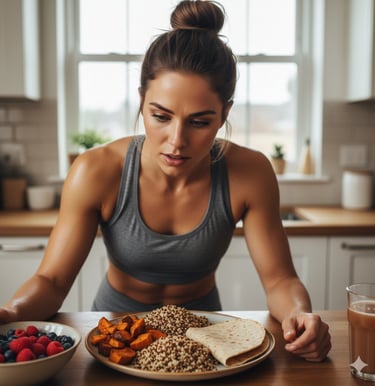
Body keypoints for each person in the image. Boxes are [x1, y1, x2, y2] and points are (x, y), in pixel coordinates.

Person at [0, 0, 330, 361]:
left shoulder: (250, 172)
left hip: (203, 338)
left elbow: (280, 280)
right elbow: (52, 281)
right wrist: (13, 313)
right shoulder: (96, 170)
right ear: (142, 101)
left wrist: (299, 314)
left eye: (200, 122)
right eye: (160, 116)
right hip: (116, 334)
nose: (176, 141)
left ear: (225, 114)